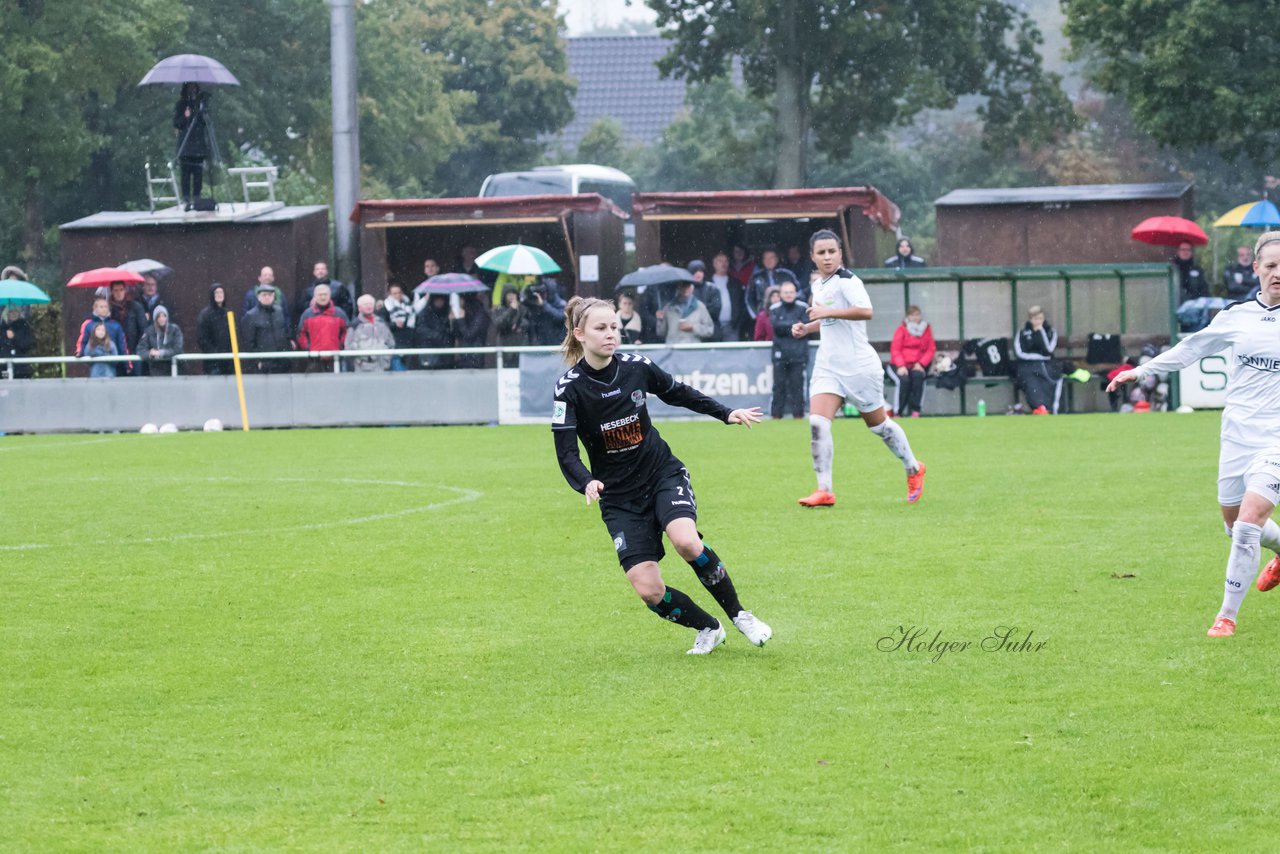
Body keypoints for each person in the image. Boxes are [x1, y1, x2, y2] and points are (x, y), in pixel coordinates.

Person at [551, 295, 771, 655]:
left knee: (686, 541)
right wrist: (586, 481)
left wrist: (725, 413)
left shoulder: (638, 366)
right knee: (649, 591)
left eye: (614, 328)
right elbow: (566, 451)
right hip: (619, 498)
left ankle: (740, 615)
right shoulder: (568, 388)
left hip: (660, 475)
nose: (610, 335)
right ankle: (709, 628)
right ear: (580, 334)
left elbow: (678, 393)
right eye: (601, 328)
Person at [1108, 230, 1280, 638]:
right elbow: (1191, 349)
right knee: (1232, 522)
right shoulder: (1236, 316)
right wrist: (1141, 370)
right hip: (1238, 435)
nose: (1278, 274)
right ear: (1255, 268)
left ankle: (1226, 617)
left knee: (1249, 522)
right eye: (1271, 266)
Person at [793, 229, 926, 507]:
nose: (827, 257)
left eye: (832, 251)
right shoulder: (819, 285)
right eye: (821, 252)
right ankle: (824, 490)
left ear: (840, 253)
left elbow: (865, 311)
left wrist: (826, 313)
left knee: (879, 427)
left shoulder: (849, 281)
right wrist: (808, 327)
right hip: (829, 365)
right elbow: (827, 320)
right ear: (812, 256)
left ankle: (913, 467)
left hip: (858, 367)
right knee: (818, 423)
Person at [769, 281, 809, 419]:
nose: (789, 295)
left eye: (791, 292)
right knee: (778, 386)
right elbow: (776, 326)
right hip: (780, 354)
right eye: (786, 292)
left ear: (796, 293)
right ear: (780, 294)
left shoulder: (803, 307)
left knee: (797, 387)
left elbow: (805, 326)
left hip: (798, 354)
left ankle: (798, 415)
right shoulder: (774, 308)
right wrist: (794, 326)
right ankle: (776, 416)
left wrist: (788, 326)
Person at [889, 305, 936, 418]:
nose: (915, 317)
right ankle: (898, 412)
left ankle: (915, 412)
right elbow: (895, 350)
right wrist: (901, 365)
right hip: (899, 364)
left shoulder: (926, 329)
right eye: (912, 315)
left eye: (917, 314)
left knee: (919, 377)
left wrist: (921, 364)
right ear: (907, 317)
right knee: (903, 381)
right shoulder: (901, 329)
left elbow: (931, 349)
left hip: (917, 365)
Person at [1013, 305, 1061, 415]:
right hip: (1026, 365)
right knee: (1030, 381)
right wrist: (1037, 357)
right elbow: (1019, 352)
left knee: (1047, 379)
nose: (1038, 322)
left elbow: (1049, 349)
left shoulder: (1050, 331)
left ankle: (1047, 407)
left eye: (1040, 319)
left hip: (1046, 365)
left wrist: (1041, 332)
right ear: (1030, 320)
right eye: (1035, 319)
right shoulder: (1022, 332)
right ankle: (1039, 407)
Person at [174, 82, 211, 209]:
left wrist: (201, 111)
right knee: (185, 173)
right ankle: (186, 198)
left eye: (194, 87)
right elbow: (177, 123)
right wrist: (186, 117)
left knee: (198, 173)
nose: (192, 90)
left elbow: (206, 122)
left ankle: (196, 197)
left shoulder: (201, 105)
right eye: (190, 87)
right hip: (185, 145)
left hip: (198, 145)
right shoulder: (181, 105)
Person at [296, 283, 349, 372]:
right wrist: (309, 347)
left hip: (335, 358)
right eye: (320, 295)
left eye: (325, 294)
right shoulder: (307, 314)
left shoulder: (339, 313)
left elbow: (347, 332)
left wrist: (340, 345)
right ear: (315, 297)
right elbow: (300, 334)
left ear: (330, 296)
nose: (323, 297)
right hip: (314, 359)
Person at [242, 283, 293, 373]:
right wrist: (258, 361)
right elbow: (248, 343)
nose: (267, 297)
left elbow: (284, 333)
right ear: (258, 297)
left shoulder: (279, 311)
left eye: (269, 295)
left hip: (282, 360)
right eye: (264, 295)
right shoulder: (250, 315)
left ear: (273, 297)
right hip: (264, 363)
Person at [76, 296, 130, 375]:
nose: (104, 309)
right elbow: (82, 341)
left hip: (111, 365)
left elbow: (122, 345)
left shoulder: (115, 325)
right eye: (101, 307)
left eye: (106, 307)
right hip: (94, 365)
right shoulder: (88, 324)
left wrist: (127, 364)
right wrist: (80, 353)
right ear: (95, 308)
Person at [745, 247, 798, 323]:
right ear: (762, 260)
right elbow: (749, 298)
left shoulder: (787, 274)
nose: (768, 261)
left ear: (777, 259)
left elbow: (799, 294)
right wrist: (756, 316)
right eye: (766, 258)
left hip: (786, 316)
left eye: (771, 258)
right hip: (763, 317)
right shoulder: (756, 277)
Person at [344, 294, 395, 372]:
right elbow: (348, 346)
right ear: (359, 307)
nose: (369, 306)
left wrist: (386, 360)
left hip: (382, 367)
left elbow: (391, 343)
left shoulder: (381, 323)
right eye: (365, 304)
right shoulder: (354, 325)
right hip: (362, 368)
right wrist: (360, 361)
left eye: (370, 304)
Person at [135, 305, 184, 377]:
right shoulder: (149, 331)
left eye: (164, 316)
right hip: (156, 372)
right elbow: (140, 350)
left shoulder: (175, 330)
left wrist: (161, 353)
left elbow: (178, 348)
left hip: (174, 369)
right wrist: (150, 354)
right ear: (155, 319)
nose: (162, 319)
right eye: (159, 316)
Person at [197, 283, 234, 375]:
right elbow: (202, 338)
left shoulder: (228, 313)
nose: (219, 295)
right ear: (212, 295)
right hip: (212, 362)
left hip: (228, 361)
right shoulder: (205, 315)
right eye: (216, 293)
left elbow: (232, 336)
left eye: (221, 292)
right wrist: (214, 353)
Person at [451, 293, 491, 369]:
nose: (458, 302)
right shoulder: (464, 313)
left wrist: (461, 320)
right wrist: (454, 320)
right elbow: (456, 334)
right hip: (463, 357)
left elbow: (469, 335)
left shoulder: (480, 314)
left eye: (460, 299)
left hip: (475, 359)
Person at [415, 293, 454, 369]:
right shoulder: (425, 313)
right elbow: (420, 329)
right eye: (437, 300)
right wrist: (437, 335)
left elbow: (451, 332)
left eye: (441, 300)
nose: (440, 303)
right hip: (429, 350)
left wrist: (452, 321)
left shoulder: (447, 312)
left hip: (444, 352)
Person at [0, 305, 34, 378]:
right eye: (11, 312)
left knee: (20, 387)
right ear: (6, 314)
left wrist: (14, 337)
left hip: (21, 369)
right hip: (3, 368)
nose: (13, 314)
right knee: (5, 386)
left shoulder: (24, 326)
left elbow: (27, 345)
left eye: (15, 311)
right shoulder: (2, 328)